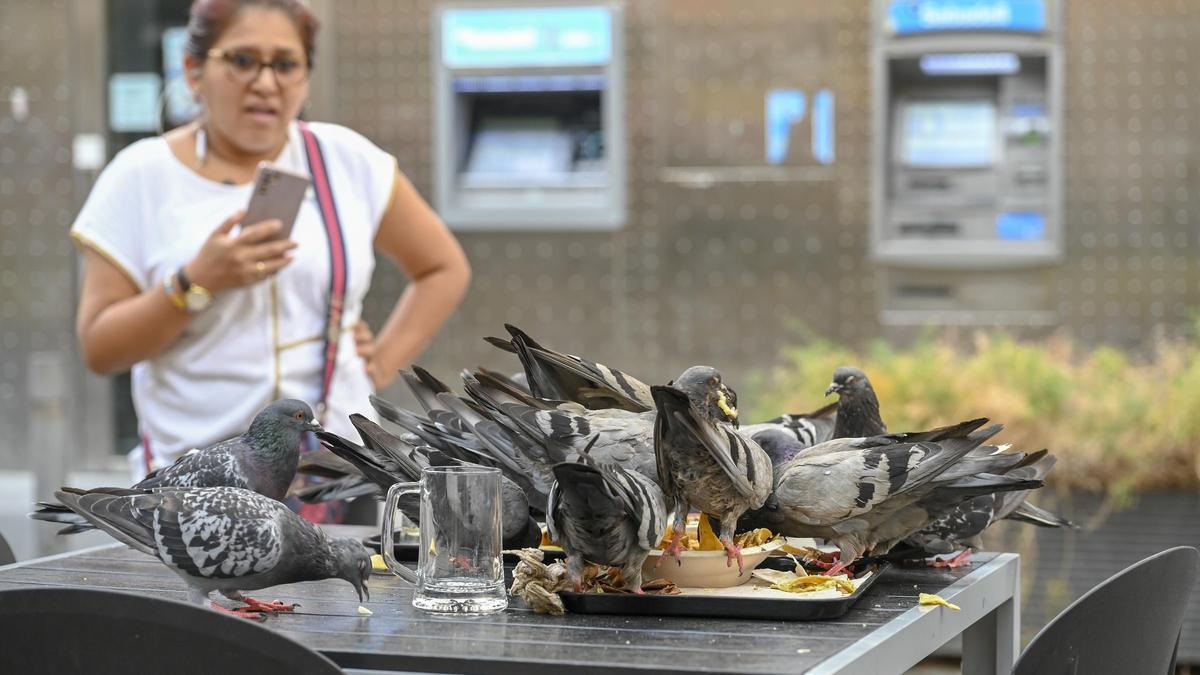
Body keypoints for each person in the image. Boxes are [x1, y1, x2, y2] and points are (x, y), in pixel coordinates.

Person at [70, 0, 471, 501]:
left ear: (305, 78)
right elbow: (100, 347)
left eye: (285, 64)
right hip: (196, 482)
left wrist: (379, 364)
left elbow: (442, 267)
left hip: (331, 476)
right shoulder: (140, 176)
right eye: (241, 60)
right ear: (194, 70)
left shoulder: (348, 161)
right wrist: (196, 283)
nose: (265, 82)